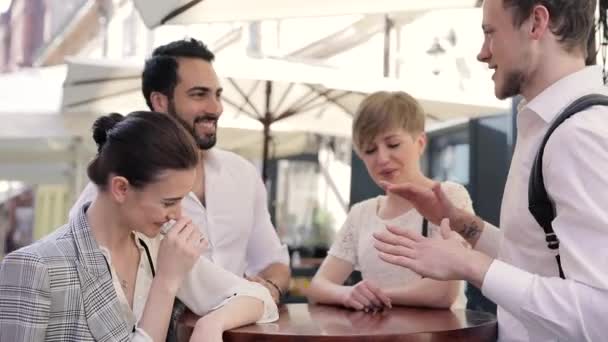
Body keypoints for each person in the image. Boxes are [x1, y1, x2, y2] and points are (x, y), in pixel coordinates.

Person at [373, 0, 607, 341]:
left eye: (489, 33)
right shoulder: (549, 125)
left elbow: (601, 316)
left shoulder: (578, 134)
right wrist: (463, 224)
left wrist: (469, 265)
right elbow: (538, 260)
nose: (483, 53)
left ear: (536, 23)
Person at [0, 112, 277, 341]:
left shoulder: (157, 247)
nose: (177, 215)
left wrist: (212, 324)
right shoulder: (34, 267)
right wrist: (166, 283)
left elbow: (258, 297)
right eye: (169, 202)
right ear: (121, 188)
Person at [70, 39, 290, 303]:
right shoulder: (120, 182)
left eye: (217, 95)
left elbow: (273, 262)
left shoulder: (243, 173)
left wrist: (269, 291)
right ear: (160, 101)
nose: (216, 108)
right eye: (199, 94)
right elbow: (81, 267)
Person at [306, 91, 473, 311]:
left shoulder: (448, 197)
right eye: (370, 150)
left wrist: (373, 296)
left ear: (420, 143)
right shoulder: (361, 213)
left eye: (393, 144)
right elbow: (318, 286)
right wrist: (348, 294)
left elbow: (442, 293)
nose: (382, 158)